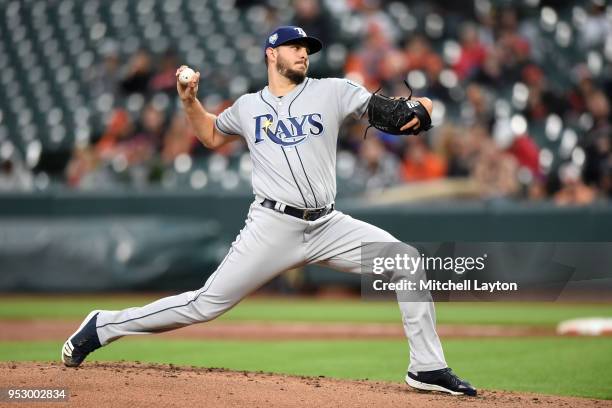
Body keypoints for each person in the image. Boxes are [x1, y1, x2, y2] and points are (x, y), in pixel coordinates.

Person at [61, 26, 477, 397]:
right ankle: (103, 325)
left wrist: (422, 109)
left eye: (306, 48)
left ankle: (426, 366)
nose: (303, 53)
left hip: (328, 224)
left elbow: (392, 109)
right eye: (293, 47)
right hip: (272, 226)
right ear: (271, 54)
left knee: (407, 260)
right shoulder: (247, 107)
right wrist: (189, 101)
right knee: (204, 305)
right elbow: (208, 133)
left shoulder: (333, 90)